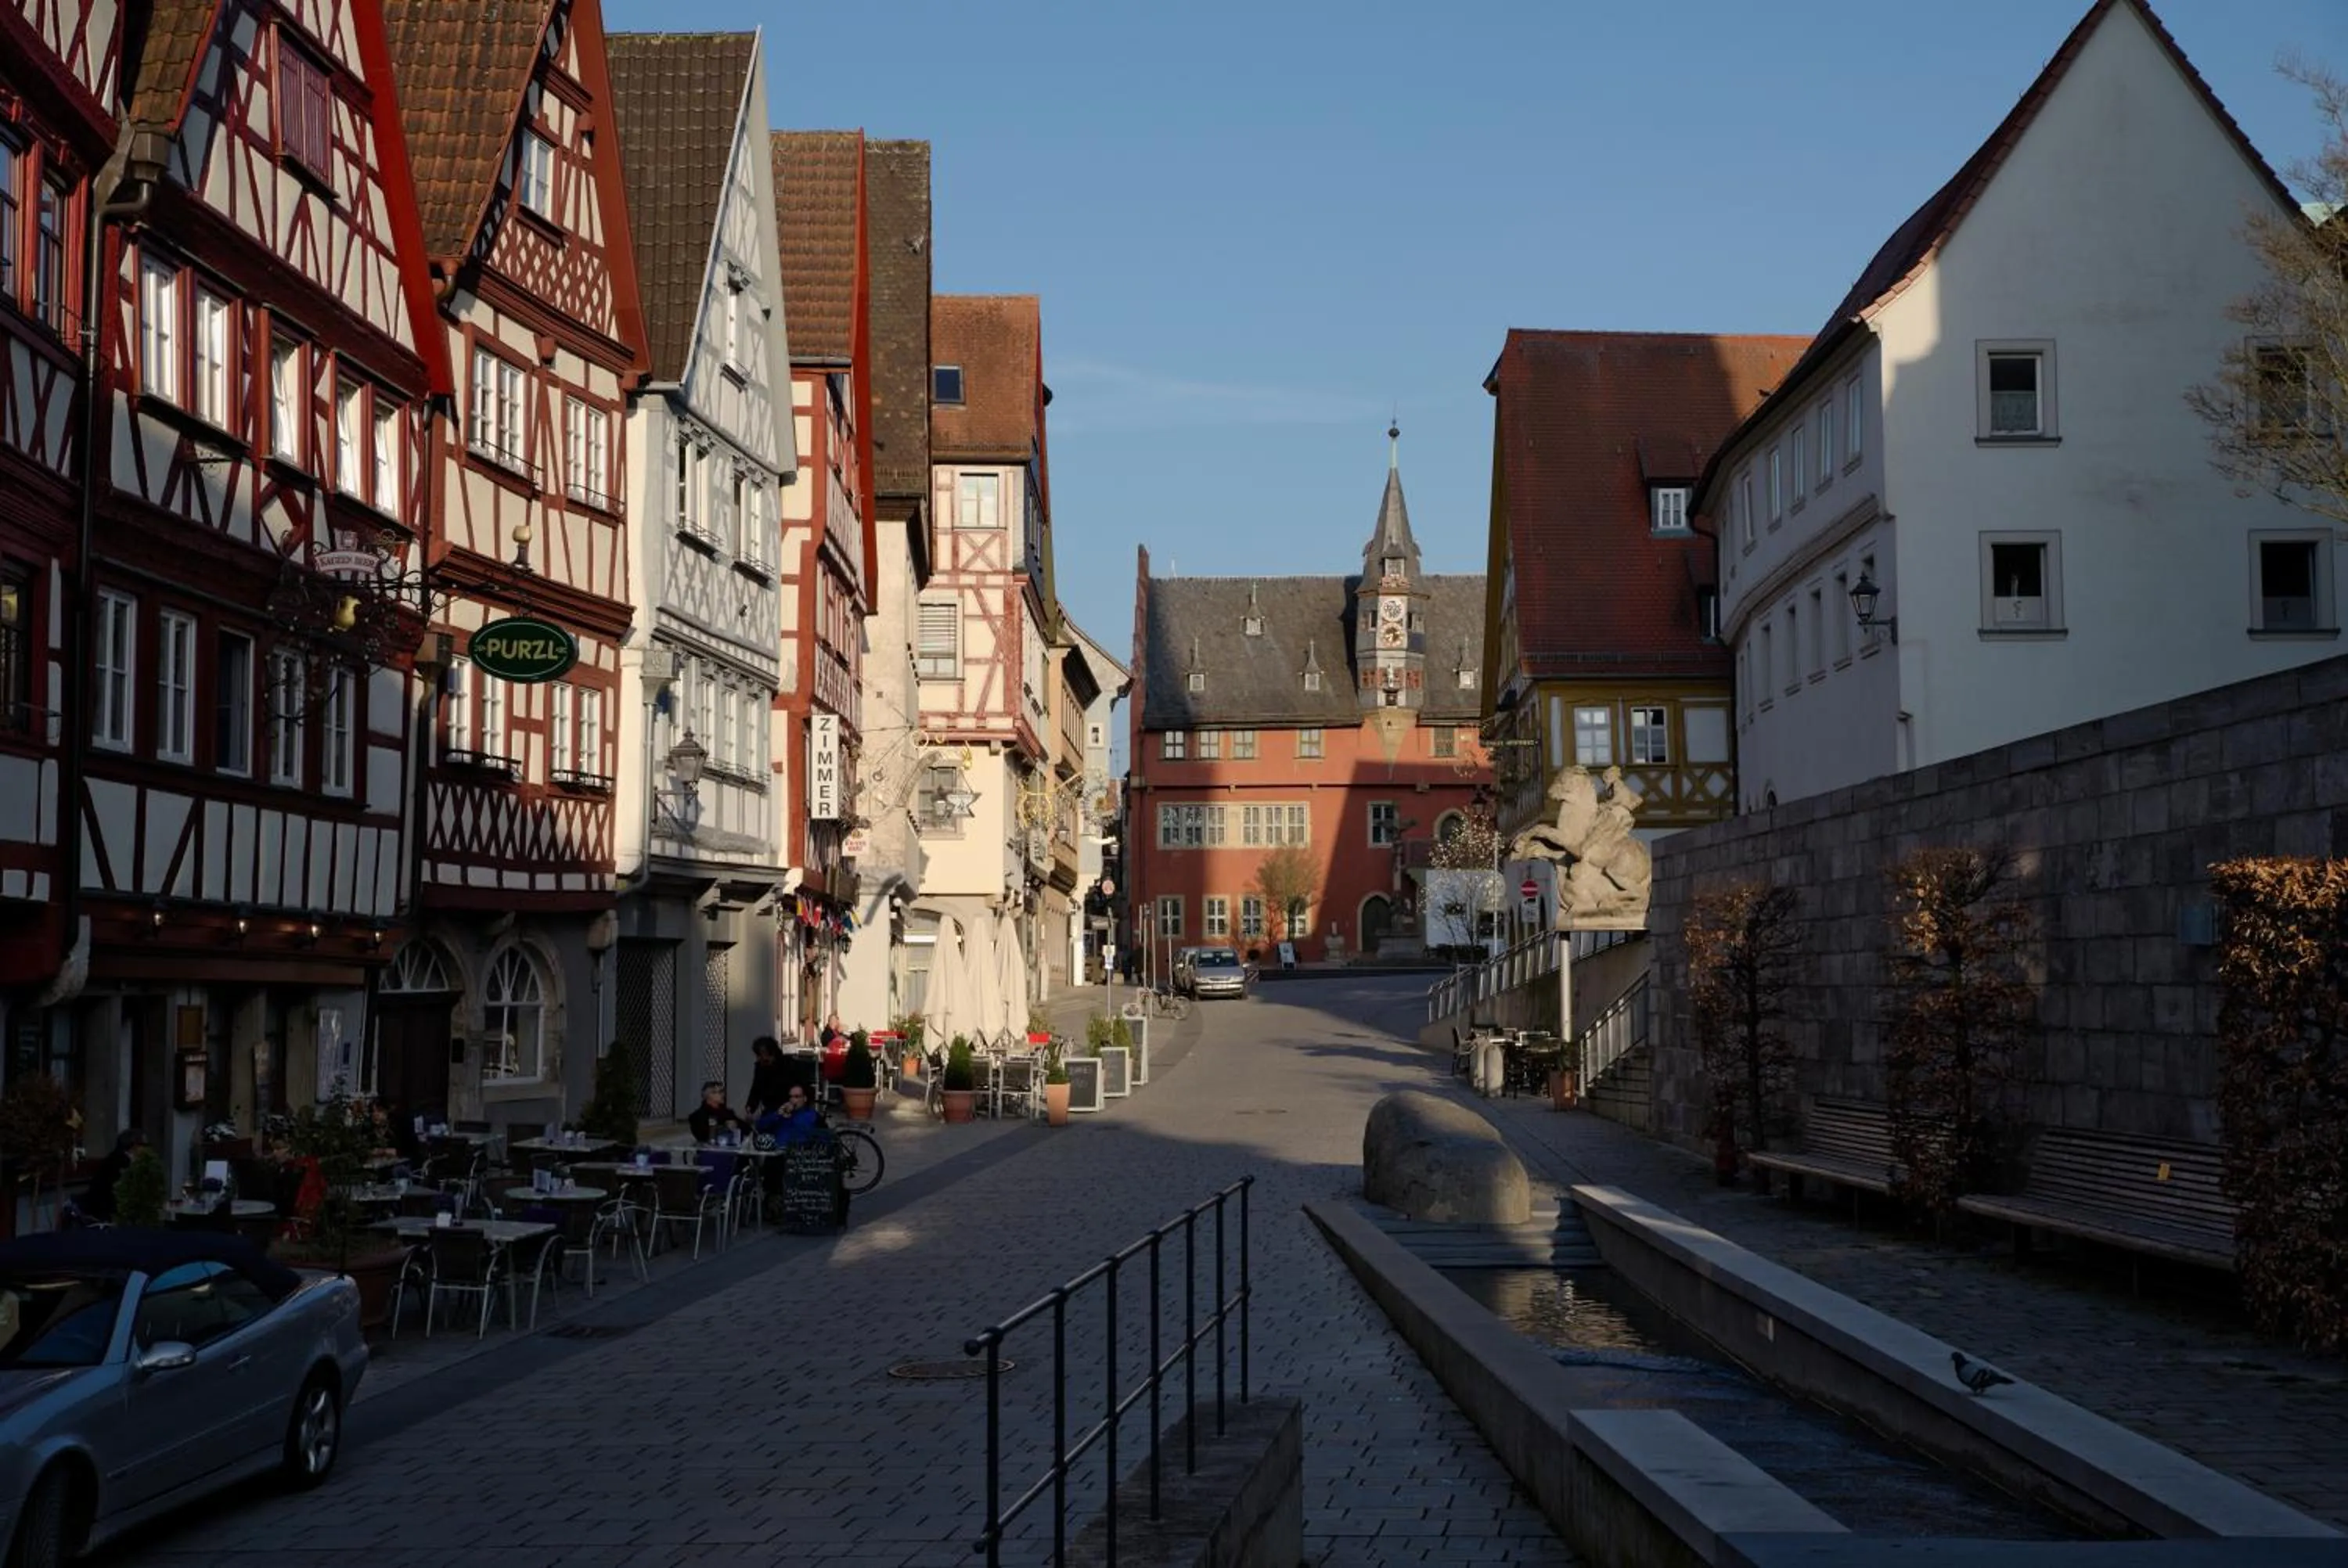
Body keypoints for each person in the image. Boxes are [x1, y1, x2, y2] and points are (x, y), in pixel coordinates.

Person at [80, 1129, 148, 1223]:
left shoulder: (115, 1158)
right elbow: (118, 1192)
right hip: (105, 1213)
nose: (146, 1150)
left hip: (102, 1209)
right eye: (144, 1146)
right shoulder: (121, 1163)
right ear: (134, 1146)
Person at [744, 1037, 794, 1118]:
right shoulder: (760, 1068)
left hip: (788, 1108)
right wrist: (750, 1106)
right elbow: (756, 1089)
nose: (759, 1058)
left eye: (761, 1054)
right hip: (770, 1109)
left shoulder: (788, 1065)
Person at [687, 1081, 747, 1145]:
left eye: (722, 1092)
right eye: (718, 1092)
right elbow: (702, 1136)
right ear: (707, 1096)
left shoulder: (728, 1113)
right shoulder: (697, 1116)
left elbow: (747, 1129)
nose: (722, 1095)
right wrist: (724, 1127)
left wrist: (736, 1124)